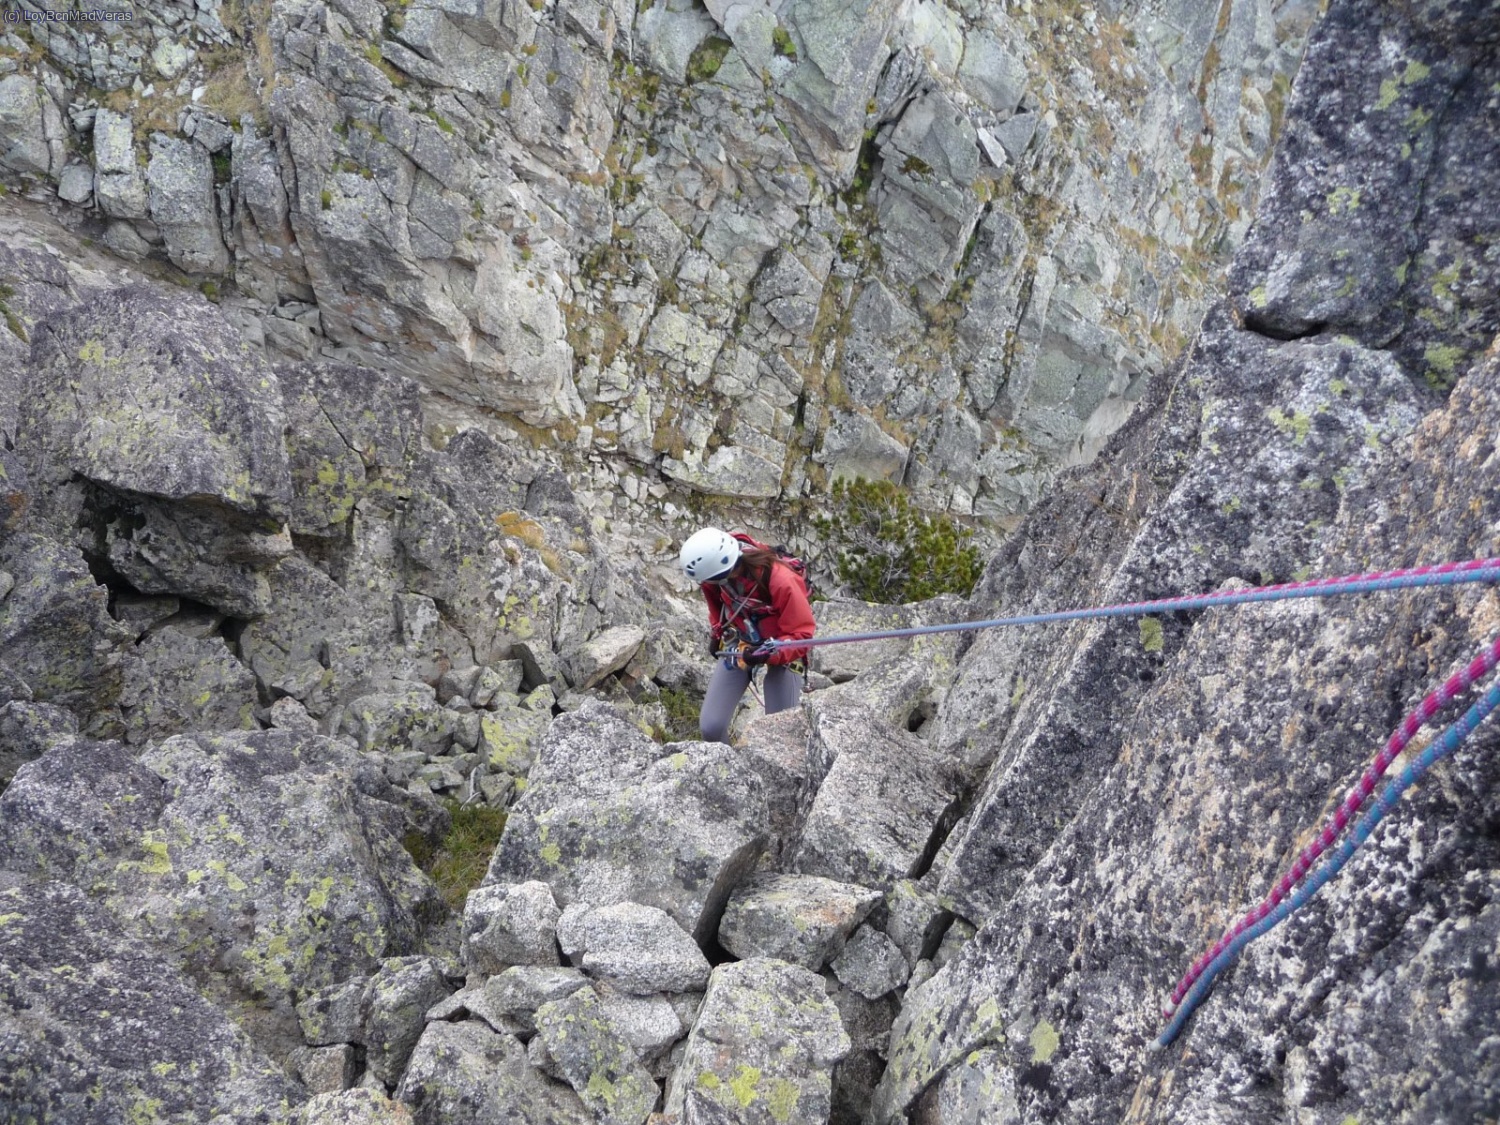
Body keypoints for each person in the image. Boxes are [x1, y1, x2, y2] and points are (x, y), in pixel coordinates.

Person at [678, 527, 815, 743]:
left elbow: (802, 634)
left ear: (724, 570)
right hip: (743, 642)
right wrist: (718, 635)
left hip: (783, 645)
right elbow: (718, 609)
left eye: (712, 580)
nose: (708, 585)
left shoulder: (781, 580)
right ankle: (729, 773)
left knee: (779, 736)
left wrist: (768, 654)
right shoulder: (713, 576)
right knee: (711, 728)